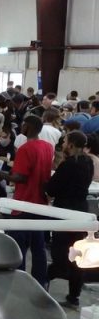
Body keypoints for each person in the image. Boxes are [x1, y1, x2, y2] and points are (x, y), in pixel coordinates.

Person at [0, 115, 53, 287]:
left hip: (23, 202)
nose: (21, 127)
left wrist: (2, 175)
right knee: (38, 247)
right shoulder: (48, 147)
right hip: (40, 203)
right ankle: (39, 281)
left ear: (28, 127)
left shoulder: (25, 149)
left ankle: (18, 280)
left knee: (18, 246)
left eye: (23, 125)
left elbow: (20, 177)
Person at [47, 131, 94, 307]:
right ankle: (73, 296)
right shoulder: (88, 162)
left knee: (60, 253)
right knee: (77, 255)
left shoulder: (68, 165)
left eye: (65, 141)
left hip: (66, 214)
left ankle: (49, 277)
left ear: (72, 145)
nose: (63, 144)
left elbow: (52, 188)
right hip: (81, 213)